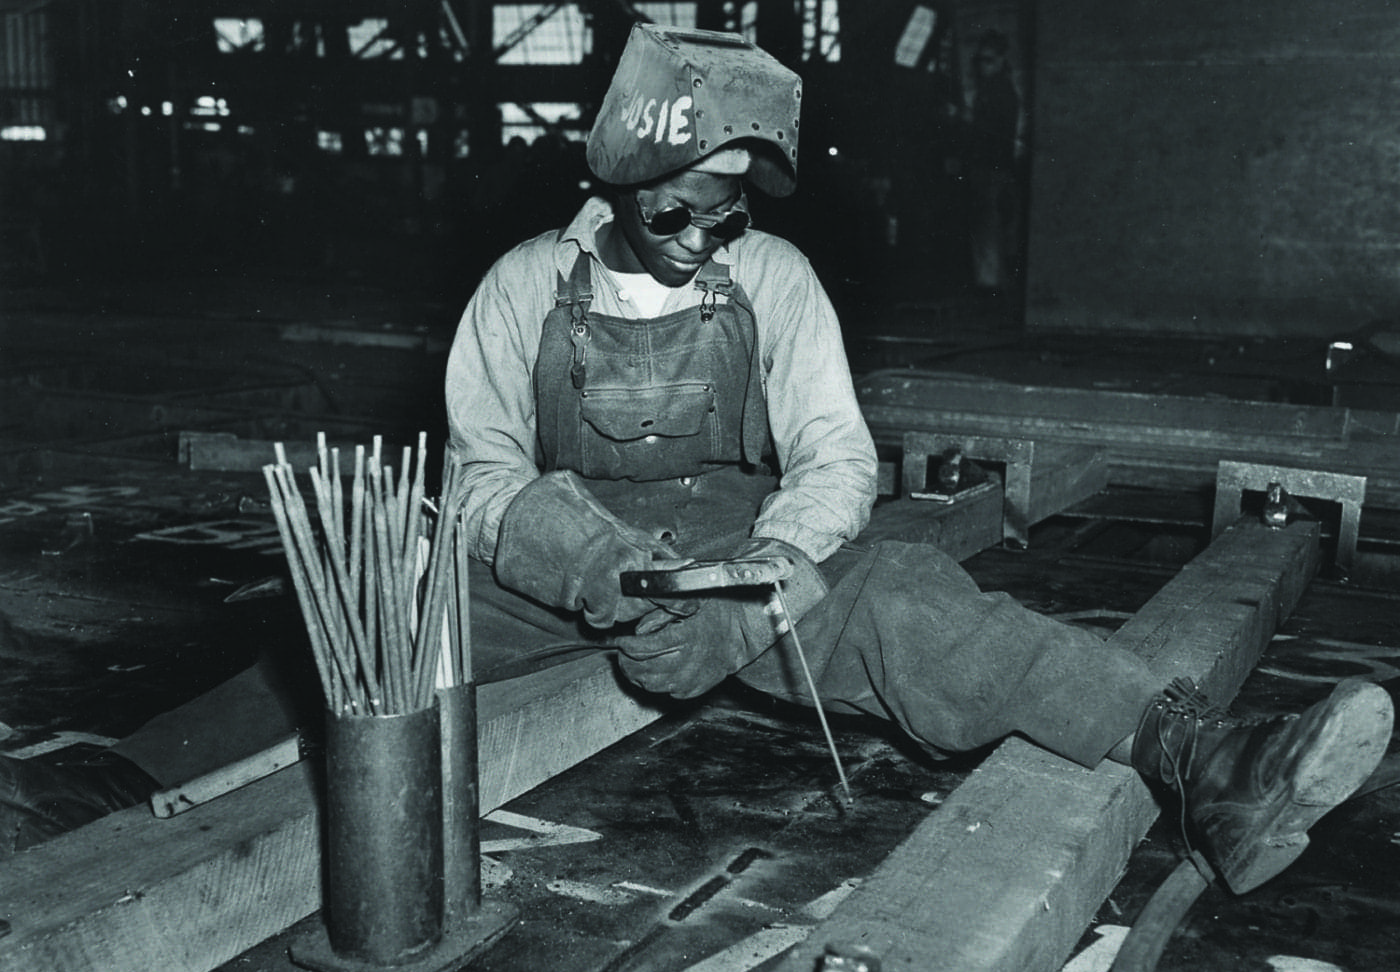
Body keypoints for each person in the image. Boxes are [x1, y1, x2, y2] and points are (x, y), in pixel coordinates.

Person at [2, 25, 1392, 897]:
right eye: (688, 208)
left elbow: (836, 454)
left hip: (743, 556)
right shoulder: (517, 293)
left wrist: (768, 578)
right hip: (560, 561)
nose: (712, 236)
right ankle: (113, 792)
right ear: (618, 177)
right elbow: (480, 481)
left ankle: (1212, 762)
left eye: (732, 214)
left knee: (919, 605)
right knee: (373, 609)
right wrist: (605, 572)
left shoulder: (773, 283)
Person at [962, 29, 1025, 294]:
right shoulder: (995, 89)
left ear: (1000, 60)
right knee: (990, 227)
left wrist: (963, 121)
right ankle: (990, 281)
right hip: (991, 167)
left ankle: (990, 285)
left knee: (988, 227)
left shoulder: (999, 93)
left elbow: (990, 134)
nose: (982, 66)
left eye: (988, 60)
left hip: (992, 168)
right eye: (980, 60)